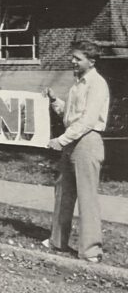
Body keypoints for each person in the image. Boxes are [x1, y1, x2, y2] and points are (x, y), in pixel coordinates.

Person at [42, 40, 109, 263]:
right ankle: (58, 241)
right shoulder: (76, 84)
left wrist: (61, 140)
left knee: (87, 197)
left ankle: (90, 250)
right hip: (72, 140)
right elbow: (70, 116)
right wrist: (55, 101)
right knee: (63, 192)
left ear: (92, 61)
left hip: (87, 142)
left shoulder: (97, 84)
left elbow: (88, 121)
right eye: (73, 57)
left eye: (78, 58)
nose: (73, 61)